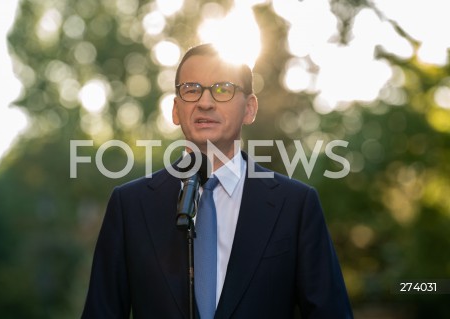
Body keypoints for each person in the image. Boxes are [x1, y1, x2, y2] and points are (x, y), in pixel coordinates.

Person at [81, 43, 353, 318]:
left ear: (249, 108)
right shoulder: (130, 206)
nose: (205, 102)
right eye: (191, 89)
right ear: (175, 110)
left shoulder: (296, 205)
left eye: (223, 89)